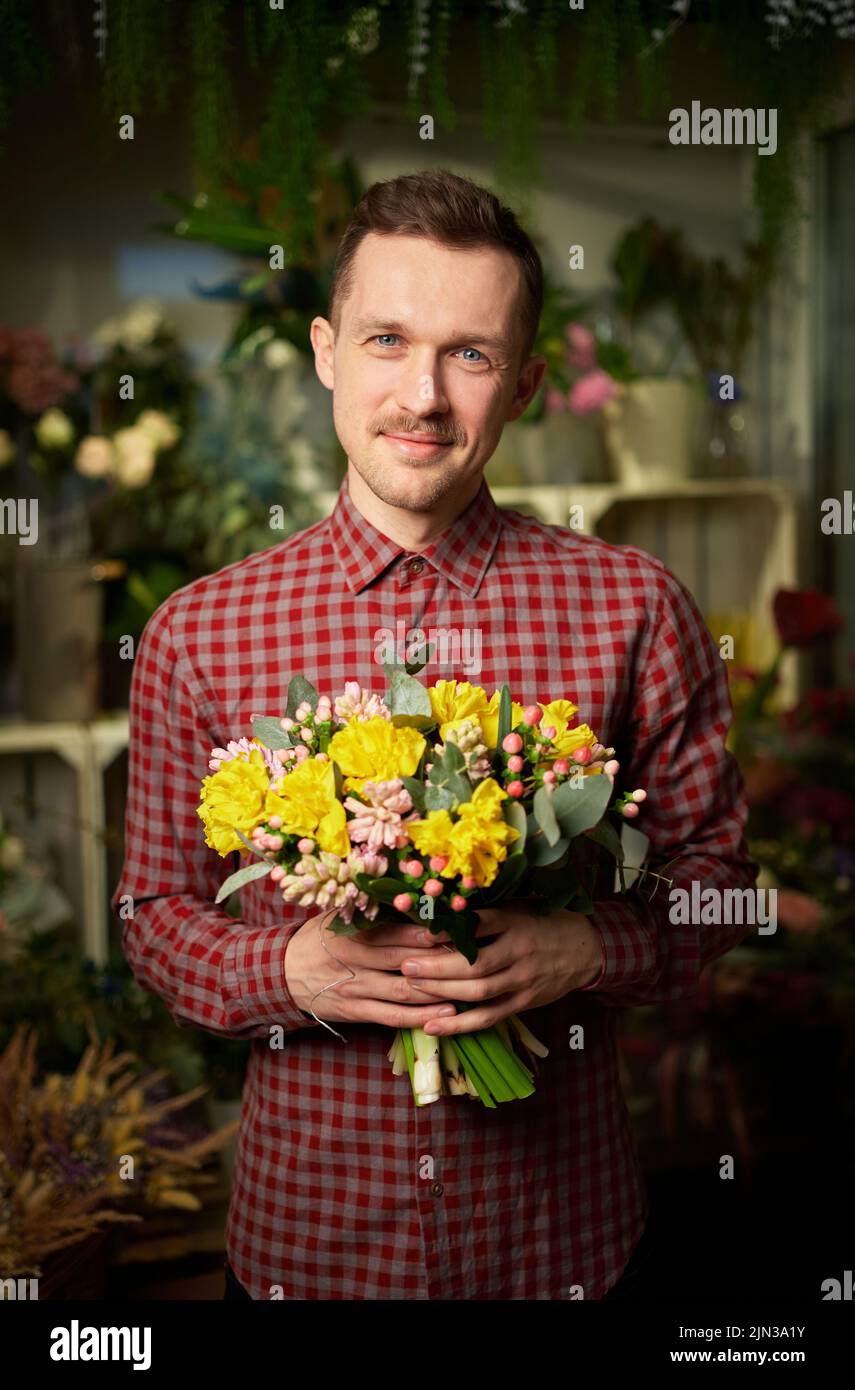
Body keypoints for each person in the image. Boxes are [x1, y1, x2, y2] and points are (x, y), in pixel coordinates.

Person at [115, 169, 758, 1301]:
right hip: (308, 1250)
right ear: (326, 352)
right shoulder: (196, 632)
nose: (422, 394)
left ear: (524, 387)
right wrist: (289, 964)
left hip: (564, 1247)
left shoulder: (634, 607)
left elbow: (722, 881)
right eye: (387, 340)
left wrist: (588, 948)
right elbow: (155, 915)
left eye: (471, 354)